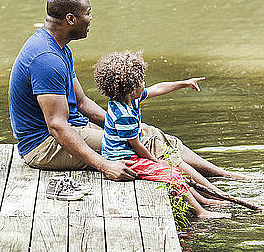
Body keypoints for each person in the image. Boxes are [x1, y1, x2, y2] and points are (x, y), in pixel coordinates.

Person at [8, 0, 261, 184]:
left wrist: (120, 123)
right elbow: (57, 126)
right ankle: (212, 194)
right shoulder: (46, 59)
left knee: (147, 133)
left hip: (71, 129)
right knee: (146, 143)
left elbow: (82, 103)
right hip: (43, 147)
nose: (91, 18)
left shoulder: (59, 48)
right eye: (87, 13)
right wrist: (105, 165)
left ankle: (221, 175)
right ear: (71, 19)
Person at [95, 50, 230, 218]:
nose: (144, 83)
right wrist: (153, 160)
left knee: (172, 169)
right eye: (142, 81)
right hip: (123, 159)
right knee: (170, 173)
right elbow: (135, 144)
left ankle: (203, 200)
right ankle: (201, 212)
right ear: (131, 88)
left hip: (129, 153)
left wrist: (184, 83)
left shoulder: (130, 99)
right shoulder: (124, 114)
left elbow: (158, 88)